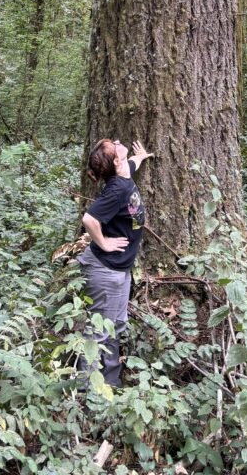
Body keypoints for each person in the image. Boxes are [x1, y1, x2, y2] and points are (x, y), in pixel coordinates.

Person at [77, 138, 153, 388]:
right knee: (99, 331)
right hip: (105, 270)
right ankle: (89, 389)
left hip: (119, 269)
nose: (119, 142)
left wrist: (140, 157)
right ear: (116, 161)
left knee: (116, 325)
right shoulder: (117, 190)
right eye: (115, 146)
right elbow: (89, 219)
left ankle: (109, 384)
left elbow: (131, 165)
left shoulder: (123, 172)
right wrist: (104, 243)